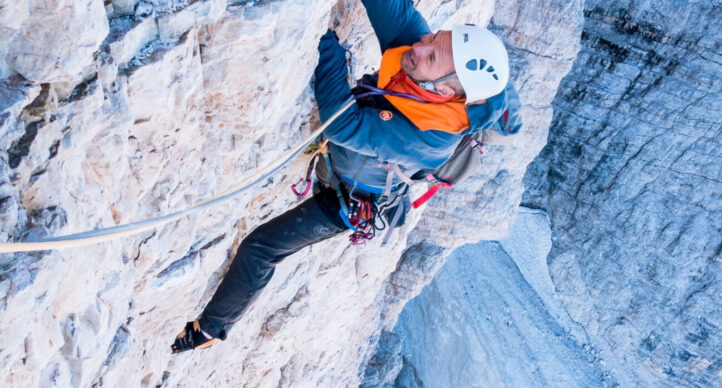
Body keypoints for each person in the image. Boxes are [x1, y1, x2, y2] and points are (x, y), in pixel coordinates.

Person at [170, 0, 522, 353]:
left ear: (445, 92)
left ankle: (210, 330)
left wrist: (325, 47)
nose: (419, 46)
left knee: (260, 249)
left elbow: (342, 125)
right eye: (433, 37)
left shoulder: (430, 140)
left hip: (348, 202)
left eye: (431, 57)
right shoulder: (427, 57)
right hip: (348, 165)